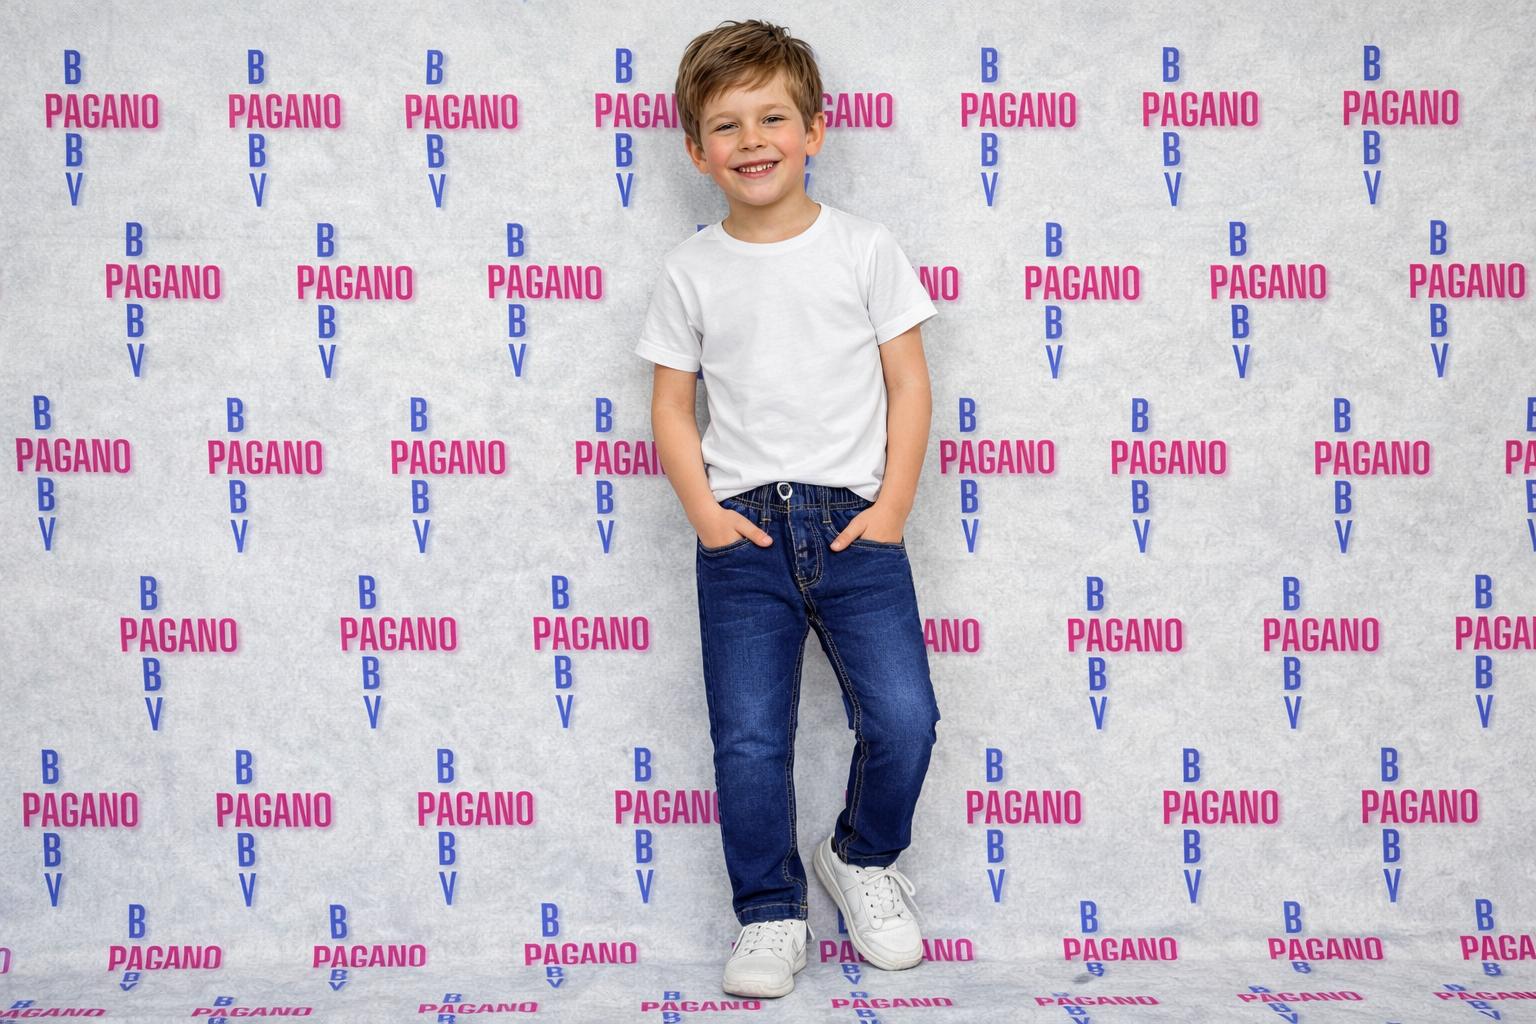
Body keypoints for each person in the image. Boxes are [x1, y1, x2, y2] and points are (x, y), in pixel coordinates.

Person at [633, 18, 942, 1000]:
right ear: (697, 151)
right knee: (750, 741)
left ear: (814, 130)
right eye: (726, 125)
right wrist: (707, 516)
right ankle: (768, 911)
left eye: (772, 118)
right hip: (744, 535)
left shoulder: (865, 248)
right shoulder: (691, 270)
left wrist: (891, 508)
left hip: (855, 525)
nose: (751, 140)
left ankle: (859, 855)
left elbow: (910, 384)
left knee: (905, 718)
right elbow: (672, 407)